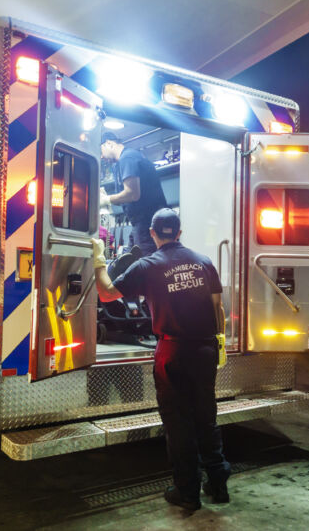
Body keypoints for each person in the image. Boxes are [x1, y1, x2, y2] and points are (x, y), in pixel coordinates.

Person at [91, 208, 231, 511]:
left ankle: (188, 491)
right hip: (206, 349)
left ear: (153, 234)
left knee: (178, 423)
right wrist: (219, 342)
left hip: (173, 352)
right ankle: (218, 483)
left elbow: (106, 294)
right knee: (206, 416)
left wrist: (98, 258)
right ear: (179, 233)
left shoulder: (147, 265)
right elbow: (218, 307)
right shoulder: (204, 262)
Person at [100, 131, 168, 255]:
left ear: (108, 143)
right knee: (127, 261)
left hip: (148, 224)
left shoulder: (128, 158)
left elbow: (132, 194)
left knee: (145, 265)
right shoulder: (120, 163)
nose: (101, 157)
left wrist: (106, 199)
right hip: (141, 224)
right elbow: (127, 198)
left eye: (101, 152)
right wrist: (107, 198)